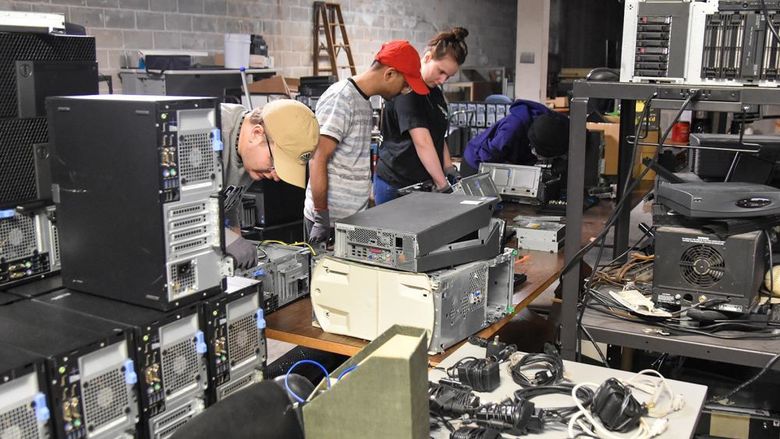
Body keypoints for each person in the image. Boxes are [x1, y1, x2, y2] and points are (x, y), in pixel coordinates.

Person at [304, 40, 428, 244]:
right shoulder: (342, 98)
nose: (404, 91)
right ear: (389, 74)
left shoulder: (363, 101)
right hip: (329, 223)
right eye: (405, 84)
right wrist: (321, 216)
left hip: (351, 220)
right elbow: (317, 157)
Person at [372, 27, 470, 205]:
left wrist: (448, 167)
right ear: (427, 58)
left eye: (448, 76)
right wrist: (443, 185)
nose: (442, 80)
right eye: (441, 71)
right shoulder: (407, 91)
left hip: (421, 183)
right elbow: (423, 142)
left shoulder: (434, 92)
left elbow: (437, 135)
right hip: (397, 185)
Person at [221, 99, 320, 269]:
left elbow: (228, 202)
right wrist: (227, 239)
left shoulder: (247, 152)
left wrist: (236, 239)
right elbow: (172, 214)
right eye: (275, 164)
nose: (275, 176)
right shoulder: (209, 135)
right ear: (257, 134)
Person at [461, 100, 568, 175]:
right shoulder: (511, 129)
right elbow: (488, 157)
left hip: (509, 158)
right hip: (476, 163)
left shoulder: (554, 121)